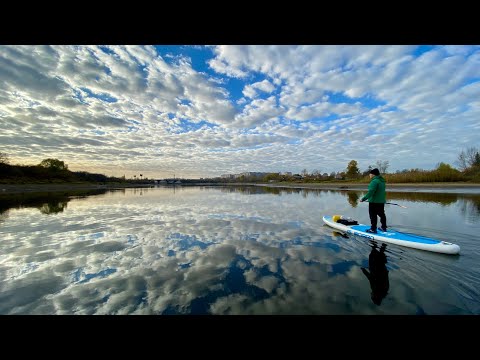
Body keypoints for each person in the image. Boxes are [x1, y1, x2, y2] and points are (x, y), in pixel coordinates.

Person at [360, 168, 387, 233]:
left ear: (373, 174)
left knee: (373, 215)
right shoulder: (382, 181)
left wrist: (363, 199)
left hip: (374, 202)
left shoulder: (374, 181)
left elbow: (371, 192)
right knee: (382, 214)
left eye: (370, 174)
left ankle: (373, 229)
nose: (369, 175)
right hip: (381, 201)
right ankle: (383, 227)